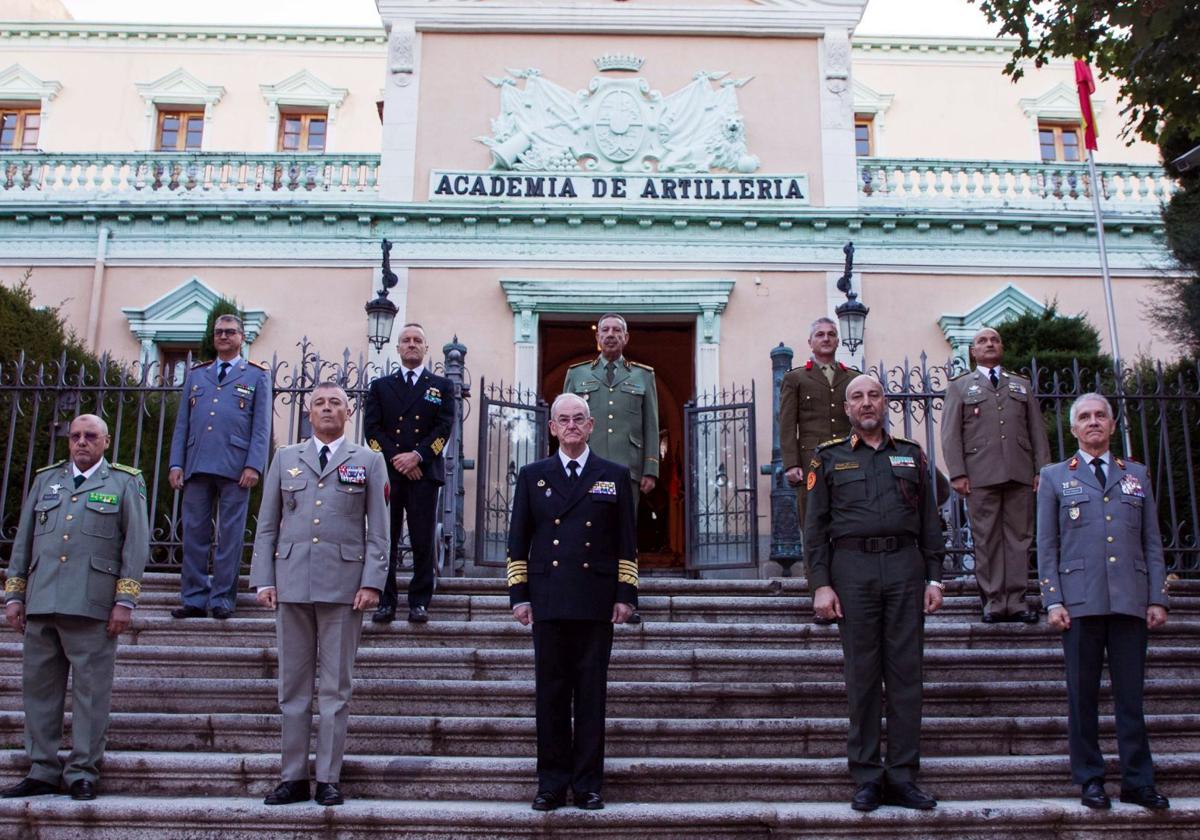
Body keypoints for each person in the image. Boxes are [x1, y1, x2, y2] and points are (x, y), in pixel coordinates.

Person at [805, 374, 944, 813]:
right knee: (862, 677)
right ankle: (866, 774)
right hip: (852, 571)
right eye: (857, 397)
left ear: (885, 403)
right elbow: (815, 529)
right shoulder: (827, 459)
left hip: (905, 568)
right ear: (846, 409)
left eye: (874, 395)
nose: (867, 403)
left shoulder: (911, 455)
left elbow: (929, 522)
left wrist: (935, 578)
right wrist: (821, 584)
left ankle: (903, 775)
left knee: (907, 675)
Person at [249, 383, 389, 807]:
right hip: (291, 582)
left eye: (335, 404)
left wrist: (372, 582)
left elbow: (379, 529)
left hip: (344, 587)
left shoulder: (368, 460)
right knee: (292, 687)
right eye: (319, 404)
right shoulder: (286, 458)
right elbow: (267, 523)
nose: (327, 409)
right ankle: (292, 777)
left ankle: (328, 777)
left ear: (349, 412)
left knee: (335, 688)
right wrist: (263, 579)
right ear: (308, 413)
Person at [2, 414, 148, 801]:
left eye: (90, 436)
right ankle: (42, 768)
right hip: (43, 599)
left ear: (106, 440)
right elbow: (24, 541)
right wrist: (14, 594)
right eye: (75, 437)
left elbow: (135, 545)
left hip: (93, 603)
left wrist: (125, 600)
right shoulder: (46, 480)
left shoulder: (124, 482)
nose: (81, 442)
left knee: (91, 693)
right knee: (39, 690)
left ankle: (83, 769)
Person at [1036, 393, 1170, 811]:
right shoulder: (1056, 476)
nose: (1093, 422)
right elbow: (1047, 544)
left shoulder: (1137, 475)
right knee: (1083, 696)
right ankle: (1091, 779)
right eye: (1085, 417)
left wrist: (1157, 597)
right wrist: (1052, 599)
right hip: (1079, 602)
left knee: (1131, 697)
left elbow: (1151, 540)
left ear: (1112, 426)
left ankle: (1138, 781)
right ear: (1073, 429)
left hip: (1130, 599)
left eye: (1100, 416)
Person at [507, 393, 638, 812]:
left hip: (595, 599)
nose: (571, 426)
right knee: (550, 696)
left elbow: (626, 542)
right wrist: (519, 595)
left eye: (579, 419)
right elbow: (517, 541)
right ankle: (550, 784)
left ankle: (587, 786)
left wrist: (626, 594)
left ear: (591, 425)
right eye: (563, 420)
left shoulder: (613, 474)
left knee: (591, 696)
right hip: (548, 598)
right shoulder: (533, 475)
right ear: (552, 427)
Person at [941, 327, 1050, 623]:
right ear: (972, 352)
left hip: (1019, 472)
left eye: (994, 340)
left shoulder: (1020, 385)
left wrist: (1040, 470)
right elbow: (951, 435)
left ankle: (1015, 600)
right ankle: (992, 601)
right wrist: (958, 474)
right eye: (982, 341)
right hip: (979, 475)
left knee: (1019, 537)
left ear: (1001, 347)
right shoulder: (960, 387)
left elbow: (1037, 432)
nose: (989, 344)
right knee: (986, 538)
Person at [168, 314, 272, 619]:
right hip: (197, 463)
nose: (223, 336)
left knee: (230, 535)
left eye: (230, 332)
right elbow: (182, 425)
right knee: (194, 533)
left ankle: (223, 598)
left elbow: (261, 427)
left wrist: (254, 464)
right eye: (218, 333)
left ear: (242, 337)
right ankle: (194, 597)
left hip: (236, 467)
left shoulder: (256, 376)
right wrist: (176, 463)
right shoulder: (197, 375)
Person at [562, 313, 657, 622]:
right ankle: (586, 594)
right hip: (585, 470)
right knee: (583, 532)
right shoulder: (577, 375)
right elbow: (566, 421)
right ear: (597, 337)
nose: (611, 335)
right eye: (605, 330)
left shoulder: (644, 376)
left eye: (618, 330)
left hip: (627, 470)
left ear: (626, 338)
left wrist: (650, 468)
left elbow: (651, 426)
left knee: (624, 535)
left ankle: (627, 599)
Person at [364, 323, 454, 623]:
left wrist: (417, 457)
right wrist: (398, 460)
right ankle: (385, 600)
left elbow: (444, 428)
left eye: (417, 340)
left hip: (424, 473)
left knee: (422, 537)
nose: (412, 344)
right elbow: (372, 431)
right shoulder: (380, 386)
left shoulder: (441, 386)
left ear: (426, 348)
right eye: (406, 340)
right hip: (389, 474)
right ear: (398, 348)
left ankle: (419, 601)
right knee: (384, 537)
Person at [778, 317, 858, 623]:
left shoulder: (852, 377)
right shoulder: (797, 378)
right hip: (811, 467)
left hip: (848, 464)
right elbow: (787, 424)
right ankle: (820, 596)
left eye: (831, 334)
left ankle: (847, 592)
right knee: (813, 529)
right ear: (810, 342)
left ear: (837, 341)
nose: (826, 338)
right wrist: (791, 464)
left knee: (846, 528)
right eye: (820, 335)